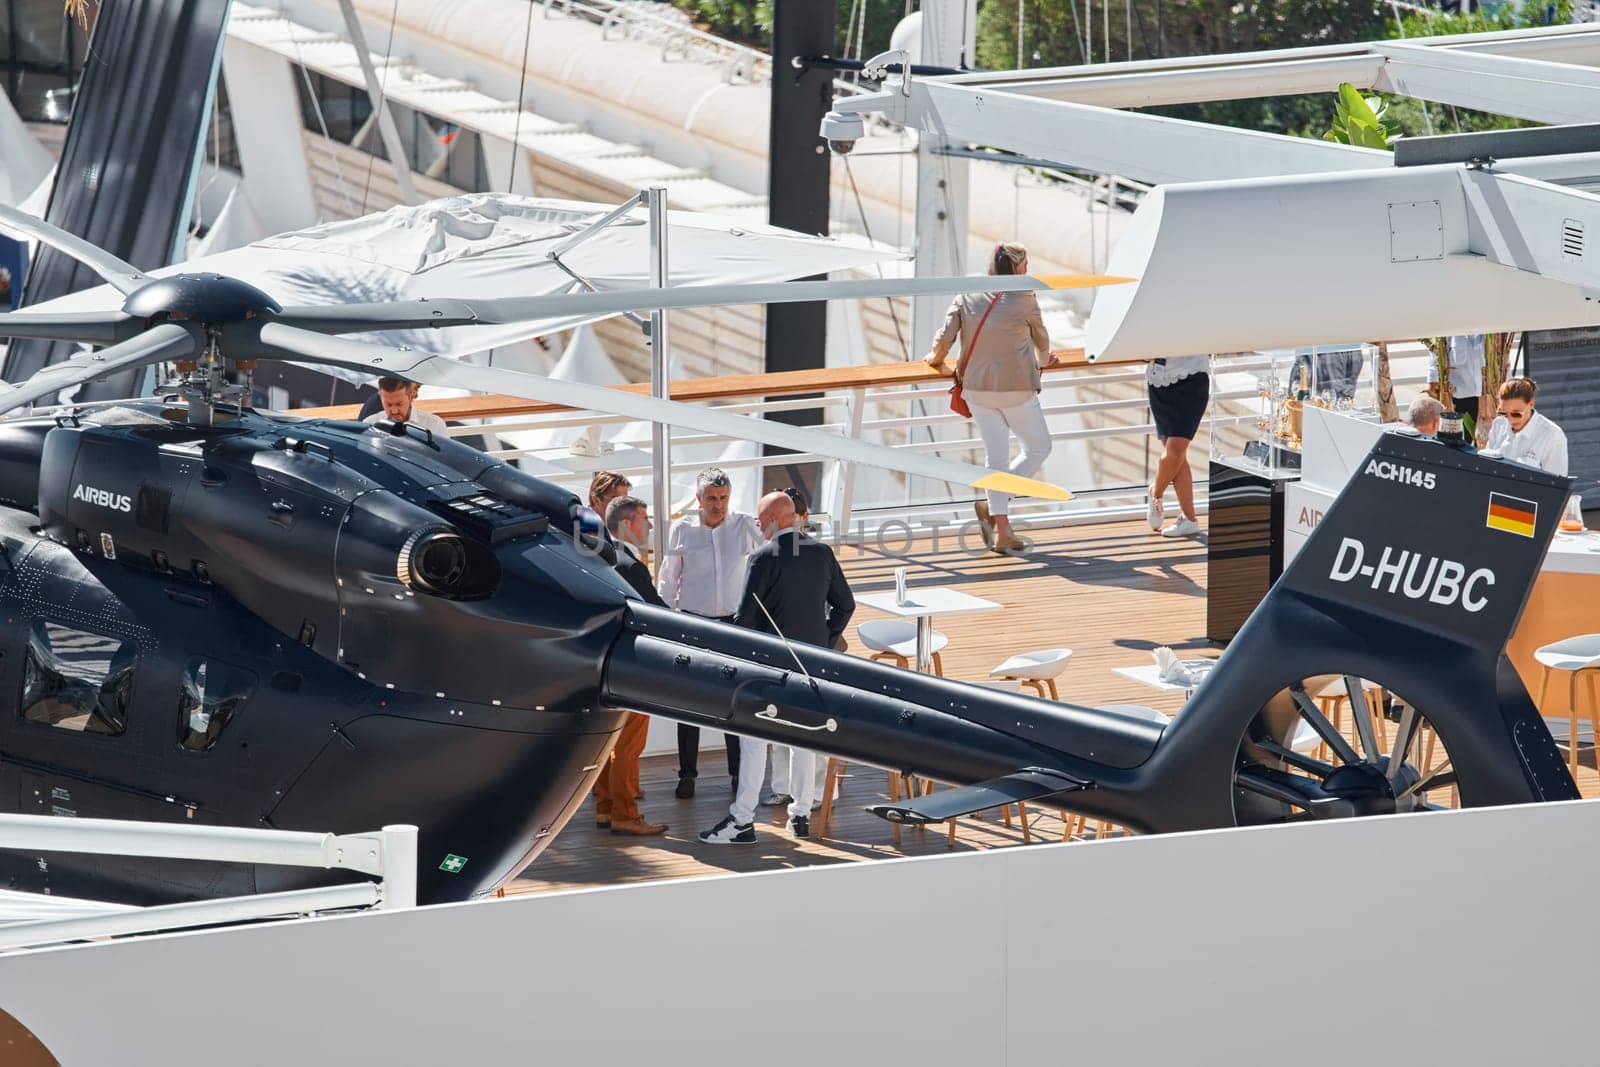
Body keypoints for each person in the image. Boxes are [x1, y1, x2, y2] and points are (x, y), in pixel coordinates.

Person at [699, 491, 855, 844]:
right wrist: (824, 643)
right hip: (812, 664)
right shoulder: (821, 552)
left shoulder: (763, 557)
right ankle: (799, 815)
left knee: (753, 741)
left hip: (768, 668)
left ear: (770, 521)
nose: (757, 525)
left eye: (759, 519)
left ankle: (742, 821)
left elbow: (745, 619)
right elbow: (845, 605)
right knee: (804, 739)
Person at [926, 242, 1058, 556]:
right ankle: (994, 507)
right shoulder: (1024, 297)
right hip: (1015, 389)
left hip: (976, 389)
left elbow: (946, 336)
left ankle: (1003, 531)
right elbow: (1041, 337)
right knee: (1039, 447)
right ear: (1018, 267)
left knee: (995, 460)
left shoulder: (969, 291)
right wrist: (1043, 359)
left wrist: (935, 359)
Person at [658, 467, 762, 798]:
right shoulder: (682, 530)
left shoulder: (744, 526)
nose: (719, 505)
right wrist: (665, 623)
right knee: (687, 702)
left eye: (724, 498)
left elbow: (775, 550)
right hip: (693, 623)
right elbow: (667, 578)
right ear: (699, 499)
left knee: (734, 700)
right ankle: (687, 775)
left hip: (733, 624)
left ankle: (736, 775)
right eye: (712, 499)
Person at [591, 496, 667, 836]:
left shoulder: (597, 557)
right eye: (643, 519)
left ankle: (605, 807)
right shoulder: (631, 566)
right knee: (629, 744)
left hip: (603, 664)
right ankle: (626, 814)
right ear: (626, 525)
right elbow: (656, 613)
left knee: (608, 742)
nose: (649, 525)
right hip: (631, 668)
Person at [1145, 355, 1210, 539]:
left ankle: (1155, 492)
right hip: (1159, 381)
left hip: (1193, 379)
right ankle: (1189, 520)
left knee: (1174, 453)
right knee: (1177, 456)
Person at [1486, 376, 1568, 475]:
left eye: (1516, 414)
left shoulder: (1552, 436)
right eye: (1503, 413)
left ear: (1531, 404)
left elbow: (1555, 485)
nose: (1510, 420)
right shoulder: (1498, 424)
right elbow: (1488, 466)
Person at [1427, 334, 1486, 421]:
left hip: (1489, 395)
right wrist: (1433, 381)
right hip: (1457, 394)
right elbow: (1436, 352)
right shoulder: (1450, 324)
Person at [363, 377, 448, 434]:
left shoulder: (435, 425)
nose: (394, 411)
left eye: (399, 404)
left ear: (411, 396)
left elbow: (446, 459)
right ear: (380, 397)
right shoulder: (369, 424)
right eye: (388, 404)